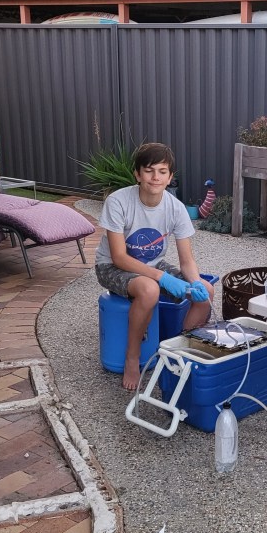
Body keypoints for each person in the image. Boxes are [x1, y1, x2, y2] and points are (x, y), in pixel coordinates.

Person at [94, 143, 215, 391]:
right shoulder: (118, 202)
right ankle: (132, 357)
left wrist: (194, 282)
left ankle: (178, 353)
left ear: (170, 177)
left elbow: (187, 261)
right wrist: (162, 277)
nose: (155, 177)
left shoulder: (176, 208)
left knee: (206, 293)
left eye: (162, 171)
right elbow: (119, 257)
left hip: (152, 264)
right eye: (149, 170)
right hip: (112, 267)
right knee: (150, 290)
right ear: (137, 174)